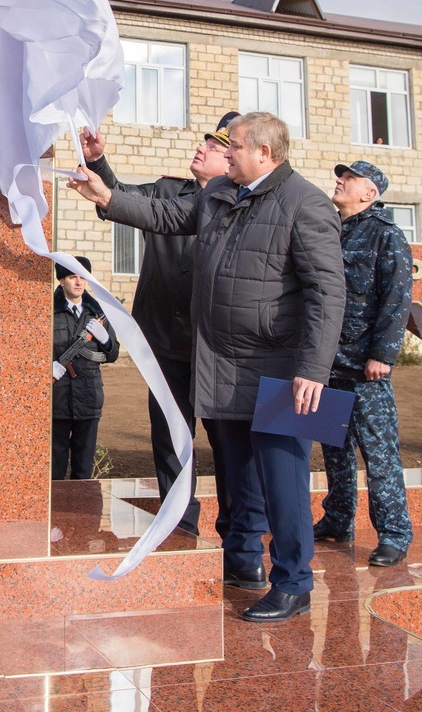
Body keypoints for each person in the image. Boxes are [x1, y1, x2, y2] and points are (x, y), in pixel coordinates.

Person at [68, 112, 346, 622]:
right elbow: (166, 217)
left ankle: (295, 583)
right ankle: (243, 565)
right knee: (236, 472)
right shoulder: (220, 196)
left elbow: (327, 294)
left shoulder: (304, 203)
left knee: (282, 481)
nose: (224, 150)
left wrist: (313, 369)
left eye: (233, 145)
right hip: (223, 363)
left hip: (283, 371)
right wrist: (105, 196)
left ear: (264, 152)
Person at [80, 113, 239, 539]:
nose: (201, 147)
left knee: (226, 444)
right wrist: (98, 162)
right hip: (165, 344)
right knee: (171, 437)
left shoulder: (241, 209)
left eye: (214, 146)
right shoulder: (169, 190)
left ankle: (235, 527)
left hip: (216, 349)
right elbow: (125, 199)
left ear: (233, 162)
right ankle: (179, 525)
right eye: (203, 140)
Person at [314, 161, 414, 565]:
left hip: (364, 365)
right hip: (329, 362)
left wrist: (382, 355)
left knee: (379, 451)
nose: (339, 181)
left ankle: (393, 533)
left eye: (349, 179)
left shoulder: (386, 237)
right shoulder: (332, 231)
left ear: (369, 193)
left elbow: (397, 298)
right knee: (334, 449)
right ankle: (338, 519)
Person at [52, 257, 120, 480]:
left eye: (82, 278)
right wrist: (46, 366)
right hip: (57, 399)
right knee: (55, 466)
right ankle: (56, 512)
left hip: (89, 397)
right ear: (62, 281)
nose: (79, 283)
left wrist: (106, 340)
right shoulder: (48, 311)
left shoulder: (98, 313)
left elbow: (112, 355)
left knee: (83, 467)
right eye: (73, 277)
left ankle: (79, 510)